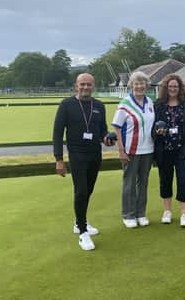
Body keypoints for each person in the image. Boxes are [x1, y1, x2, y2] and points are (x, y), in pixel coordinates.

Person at [53, 73, 114, 251]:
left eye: (89, 84)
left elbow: (102, 129)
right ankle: (82, 232)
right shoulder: (66, 105)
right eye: (82, 84)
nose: (85, 87)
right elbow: (57, 133)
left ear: (93, 86)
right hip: (77, 154)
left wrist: (106, 139)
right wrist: (59, 159)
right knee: (80, 191)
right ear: (76, 86)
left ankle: (80, 221)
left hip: (95, 153)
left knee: (88, 190)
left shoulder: (99, 106)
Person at [153, 74, 185, 228]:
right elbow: (150, 128)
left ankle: (184, 214)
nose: (173, 89)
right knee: (165, 181)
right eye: (170, 86)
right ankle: (167, 212)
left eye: (175, 86)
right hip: (164, 151)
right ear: (165, 88)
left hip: (183, 151)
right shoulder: (158, 106)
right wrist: (157, 132)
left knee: (184, 181)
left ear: (180, 88)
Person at [111, 71, 156, 229]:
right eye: (136, 83)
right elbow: (117, 128)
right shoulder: (125, 103)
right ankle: (128, 215)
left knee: (143, 183)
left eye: (142, 83)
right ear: (131, 85)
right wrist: (121, 150)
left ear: (146, 85)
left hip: (148, 149)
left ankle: (141, 213)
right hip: (130, 150)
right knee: (129, 184)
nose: (139, 86)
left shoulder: (150, 102)